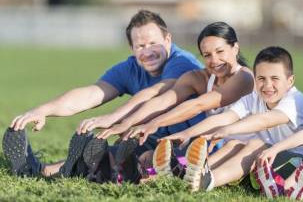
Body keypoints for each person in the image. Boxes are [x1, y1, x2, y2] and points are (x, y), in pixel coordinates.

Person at [3, 9, 204, 179]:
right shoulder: (131, 68)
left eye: (153, 43)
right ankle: (39, 170)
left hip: (192, 142)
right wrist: (42, 110)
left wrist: (114, 119)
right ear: (132, 48)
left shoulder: (182, 63)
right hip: (152, 137)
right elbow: (92, 93)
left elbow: (157, 93)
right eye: (140, 46)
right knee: (107, 156)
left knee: (136, 160)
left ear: (168, 39)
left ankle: (124, 169)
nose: (148, 51)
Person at [88, 21, 255, 177]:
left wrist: (154, 123)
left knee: (154, 158)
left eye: (220, 52)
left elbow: (198, 104)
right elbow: (164, 100)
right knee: (140, 152)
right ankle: (93, 165)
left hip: (240, 152)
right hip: (211, 144)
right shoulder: (201, 77)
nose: (214, 60)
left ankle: (144, 170)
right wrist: (127, 122)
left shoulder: (244, 78)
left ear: (235, 48)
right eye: (207, 55)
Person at [162, 46, 303, 192]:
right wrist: (187, 133)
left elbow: (265, 120)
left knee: (256, 144)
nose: (267, 85)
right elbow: (225, 118)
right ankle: (192, 174)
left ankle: (208, 181)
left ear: (290, 81)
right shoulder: (254, 97)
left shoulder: (295, 100)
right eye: (261, 79)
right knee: (234, 143)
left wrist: (227, 130)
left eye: (275, 79)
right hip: (275, 159)